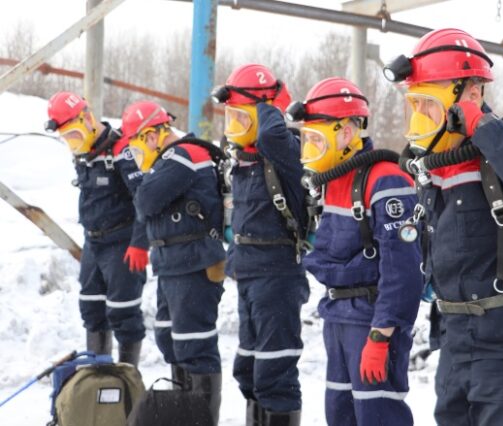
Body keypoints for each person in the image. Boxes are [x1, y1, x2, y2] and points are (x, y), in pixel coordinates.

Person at [384, 28, 503, 425]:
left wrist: (480, 125)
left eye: (427, 104)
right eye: (414, 104)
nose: (419, 117)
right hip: (454, 340)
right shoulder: (433, 163)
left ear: (470, 94)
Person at [285, 77, 422, 426]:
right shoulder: (332, 182)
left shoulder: (385, 180)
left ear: (346, 133)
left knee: (378, 417)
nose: (309, 149)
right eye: (307, 139)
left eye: (317, 139)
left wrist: (381, 336)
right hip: (339, 317)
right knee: (340, 416)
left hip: (371, 321)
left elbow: (402, 272)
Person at [211, 63, 309, 426]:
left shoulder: (283, 150)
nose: (234, 126)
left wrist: (270, 103)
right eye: (230, 116)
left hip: (278, 275)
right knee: (248, 370)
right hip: (250, 273)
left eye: (242, 116)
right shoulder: (243, 159)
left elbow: (270, 135)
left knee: (275, 374)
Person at [122, 101, 226, 424]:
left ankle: (201, 419)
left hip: (193, 264)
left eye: (138, 147)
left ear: (152, 136)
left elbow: (146, 200)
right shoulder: (168, 162)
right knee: (171, 340)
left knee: (195, 347)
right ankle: (183, 416)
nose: (138, 158)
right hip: (173, 264)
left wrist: (143, 181)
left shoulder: (184, 155)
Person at [45, 91, 147, 366]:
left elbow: (144, 200)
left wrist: (140, 242)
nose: (73, 143)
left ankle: (127, 380)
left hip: (122, 243)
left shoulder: (122, 151)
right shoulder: (83, 155)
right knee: (91, 309)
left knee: (123, 313)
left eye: (75, 135)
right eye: (67, 139)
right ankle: (99, 380)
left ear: (87, 118)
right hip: (94, 243)